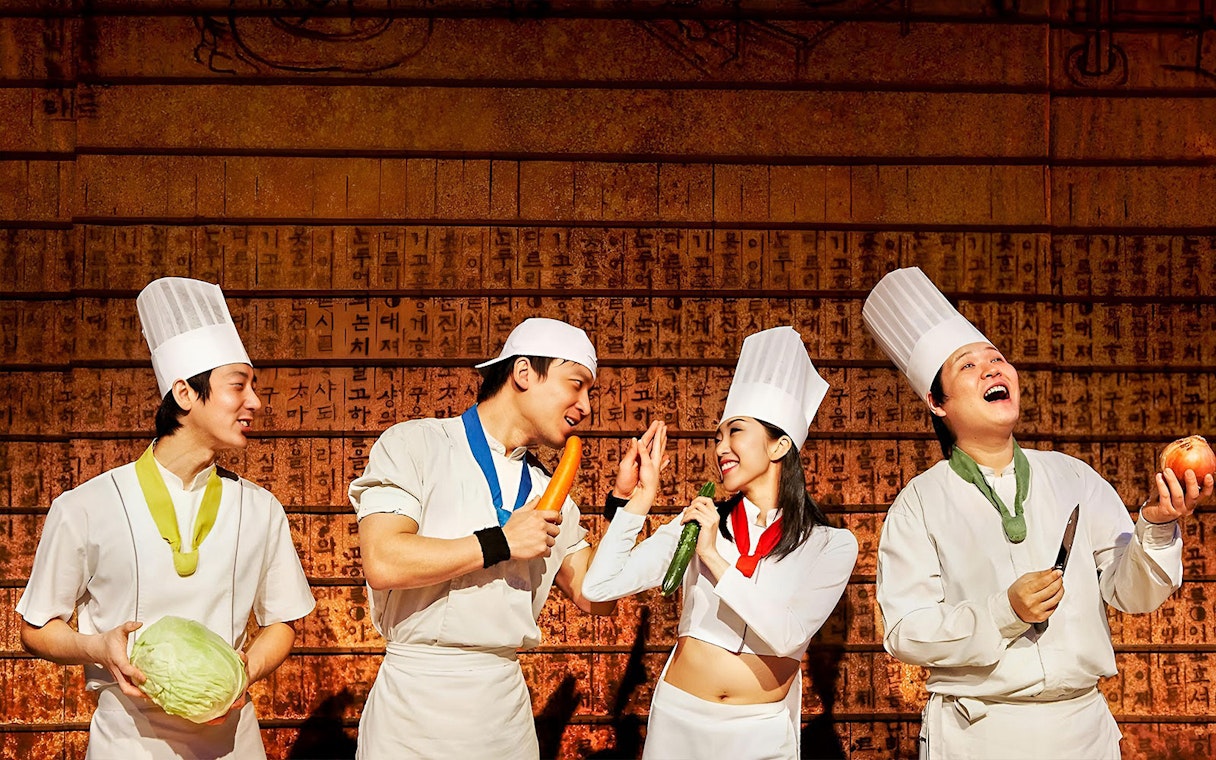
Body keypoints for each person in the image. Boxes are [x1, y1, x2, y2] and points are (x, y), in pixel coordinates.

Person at [862, 267, 1214, 760]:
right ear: (936, 403)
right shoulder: (918, 503)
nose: (992, 369)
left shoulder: (1074, 477)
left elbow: (1132, 594)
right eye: (968, 366)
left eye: (998, 359)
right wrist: (1004, 612)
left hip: (1082, 731)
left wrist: (1155, 524)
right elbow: (906, 634)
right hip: (977, 732)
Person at [17, 277, 316, 759]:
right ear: (183, 394)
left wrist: (245, 669)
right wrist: (99, 648)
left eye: (253, 387)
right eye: (238, 385)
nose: (255, 402)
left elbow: (282, 621)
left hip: (234, 739)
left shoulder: (261, 509)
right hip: (128, 742)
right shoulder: (86, 505)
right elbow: (35, 628)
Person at [349, 316, 636, 759]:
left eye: (589, 392)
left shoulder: (551, 490)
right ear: (523, 373)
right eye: (576, 385)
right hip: (415, 705)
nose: (586, 406)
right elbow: (384, 561)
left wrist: (625, 505)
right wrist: (499, 542)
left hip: (503, 711)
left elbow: (596, 597)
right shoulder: (415, 444)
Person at [582, 326, 859, 759]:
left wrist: (711, 555)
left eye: (735, 432)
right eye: (717, 437)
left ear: (779, 445)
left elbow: (787, 636)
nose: (721, 448)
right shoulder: (699, 521)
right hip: (679, 719)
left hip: (760, 731)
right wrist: (640, 499)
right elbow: (598, 587)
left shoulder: (831, 544)